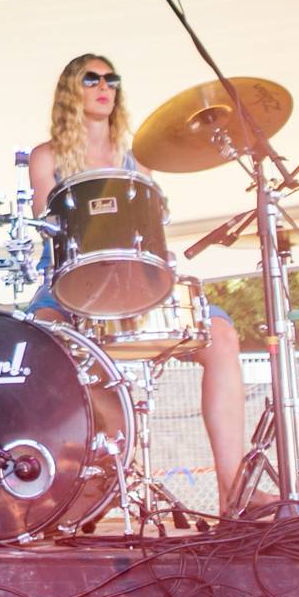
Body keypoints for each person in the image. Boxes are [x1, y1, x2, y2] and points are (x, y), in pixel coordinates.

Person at [25, 53, 254, 508]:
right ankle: (63, 493)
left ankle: (234, 492)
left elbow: (154, 228)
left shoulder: (138, 158)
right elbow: (44, 222)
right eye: (91, 79)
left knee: (223, 336)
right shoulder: (46, 156)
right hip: (73, 281)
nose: (103, 86)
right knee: (41, 340)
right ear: (72, 89)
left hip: (139, 279)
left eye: (112, 79)